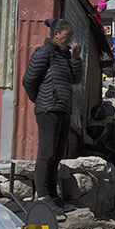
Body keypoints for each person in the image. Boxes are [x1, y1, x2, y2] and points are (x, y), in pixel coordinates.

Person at [22, 18, 82, 216]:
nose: (71, 37)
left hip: (63, 109)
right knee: (46, 153)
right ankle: (43, 196)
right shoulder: (44, 52)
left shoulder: (65, 56)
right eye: (68, 33)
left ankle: (53, 196)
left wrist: (75, 59)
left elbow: (76, 79)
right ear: (56, 34)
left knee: (57, 154)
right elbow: (29, 79)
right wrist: (40, 99)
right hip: (48, 109)